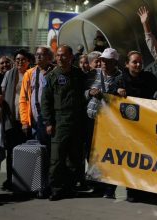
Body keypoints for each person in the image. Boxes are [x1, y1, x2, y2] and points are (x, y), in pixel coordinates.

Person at [110, 50, 157, 202]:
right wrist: (116, 91)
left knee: (145, 159)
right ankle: (131, 191)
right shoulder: (119, 80)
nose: (138, 65)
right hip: (126, 128)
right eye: (134, 62)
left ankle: (146, 190)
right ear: (127, 64)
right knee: (131, 160)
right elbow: (108, 94)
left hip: (146, 127)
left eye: (140, 62)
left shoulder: (149, 79)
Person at [41, 45, 87, 201]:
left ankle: (70, 187)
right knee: (57, 159)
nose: (60, 58)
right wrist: (48, 122)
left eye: (64, 55)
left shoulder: (79, 75)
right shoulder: (51, 77)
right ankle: (56, 189)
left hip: (77, 122)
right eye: (58, 55)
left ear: (71, 56)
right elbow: (45, 102)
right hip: (59, 122)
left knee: (74, 158)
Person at [86, 48, 122, 199]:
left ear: (115, 62)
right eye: (102, 60)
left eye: (108, 61)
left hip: (109, 124)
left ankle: (109, 189)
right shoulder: (93, 74)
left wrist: (108, 94)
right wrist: (88, 93)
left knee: (108, 157)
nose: (104, 63)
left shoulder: (120, 78)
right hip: (91, 120)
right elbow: (83, 92)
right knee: (92, 155)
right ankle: (97, 186)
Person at [0, 49, 32, 191]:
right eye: (17, 59)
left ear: (28, 62)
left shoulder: (32, 74)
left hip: (27, 118)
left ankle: (25, 180)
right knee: (11, 151)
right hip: (11, 117)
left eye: (23, 59)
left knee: (25, 150)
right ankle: (11, 179)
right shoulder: (9, 74)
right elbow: (3, 93)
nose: (19, 62)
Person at [19, 46, 54, 145]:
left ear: (49, 57)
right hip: (35, 120)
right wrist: (25, 122)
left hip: (52, 119)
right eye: (37, 54)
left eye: (41, 54)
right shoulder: (29, 74)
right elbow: (23, 99)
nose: (38, 57)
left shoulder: (55, 72)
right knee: (38, 153)